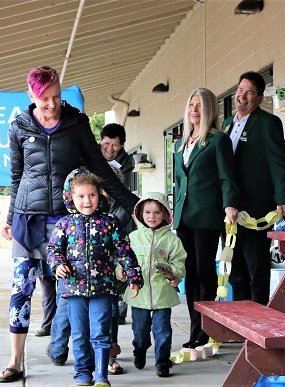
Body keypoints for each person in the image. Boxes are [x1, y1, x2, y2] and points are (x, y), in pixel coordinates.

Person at [0, 66, 139, 383]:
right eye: (44, 99)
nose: (51, 105)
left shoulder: (75, 123)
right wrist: (9, 218)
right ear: (31, 95)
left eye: (56, 97)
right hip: (27, 219)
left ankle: (101, 355)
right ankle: (16, 360)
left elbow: (99, 168)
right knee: (21, 290)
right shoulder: (19, 125)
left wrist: (132, 203)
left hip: (68, 220)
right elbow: (17, 177)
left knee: (83, 287)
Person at [47, 168, 143, 387]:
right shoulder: (65, 224)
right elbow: (53, 249)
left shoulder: (110, 222)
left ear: (100, 195)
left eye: (91, 195)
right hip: (73, 290)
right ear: (71, 198)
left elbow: (124, 250)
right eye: (80, 196)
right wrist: (58, 264)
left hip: (104, 289)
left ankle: (101, 375)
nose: (87, 200)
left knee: (101, 332)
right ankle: (82, 373)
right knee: (79, 333)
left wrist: (133, 277)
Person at [173, 88, 239, 349]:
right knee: (189, 273)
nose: (194, 110)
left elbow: (226, 177)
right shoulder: (180, 143)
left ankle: (205, 328)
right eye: (191, 104)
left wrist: (230, 204)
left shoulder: (218, 141)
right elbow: (179, 182)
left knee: (204, 273)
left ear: (209, 109)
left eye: (200, 105)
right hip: (183, 216)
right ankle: (193, 327)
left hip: (207, 215)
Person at [222, 71, 285, 305]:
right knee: (235, 269)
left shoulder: (267, 122)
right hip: (229, 209)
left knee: (257, 269)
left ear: (260, 98)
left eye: (250, 92)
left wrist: (283, 197)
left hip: (256, 208)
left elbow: (278, 162)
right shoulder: (226, 123)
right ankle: (242, 319)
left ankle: (260, 315)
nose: (243, 96)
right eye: (240, 90)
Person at [123, 192, 186, 378]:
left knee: (163, 331)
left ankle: (162, 362)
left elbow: (179, 262)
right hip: (138, 294)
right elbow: (124, 261)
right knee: (140, 331)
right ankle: (140, 350)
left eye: (158, 212)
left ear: (166, 215)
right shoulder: (133, 238)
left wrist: (175, 274)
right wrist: (122, 272)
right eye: (148, 212)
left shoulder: (172, 240)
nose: (152, 216)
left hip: (163, 293)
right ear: (140, 214)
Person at [100, 123, 135, 374]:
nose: (110, 150)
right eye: (105, 145)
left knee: (112, 302)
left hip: (119, 236)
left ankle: (110, 353)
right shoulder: (89, 158)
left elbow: (127, 196)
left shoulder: (128, 164)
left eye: (115, 146)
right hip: (93, 247)